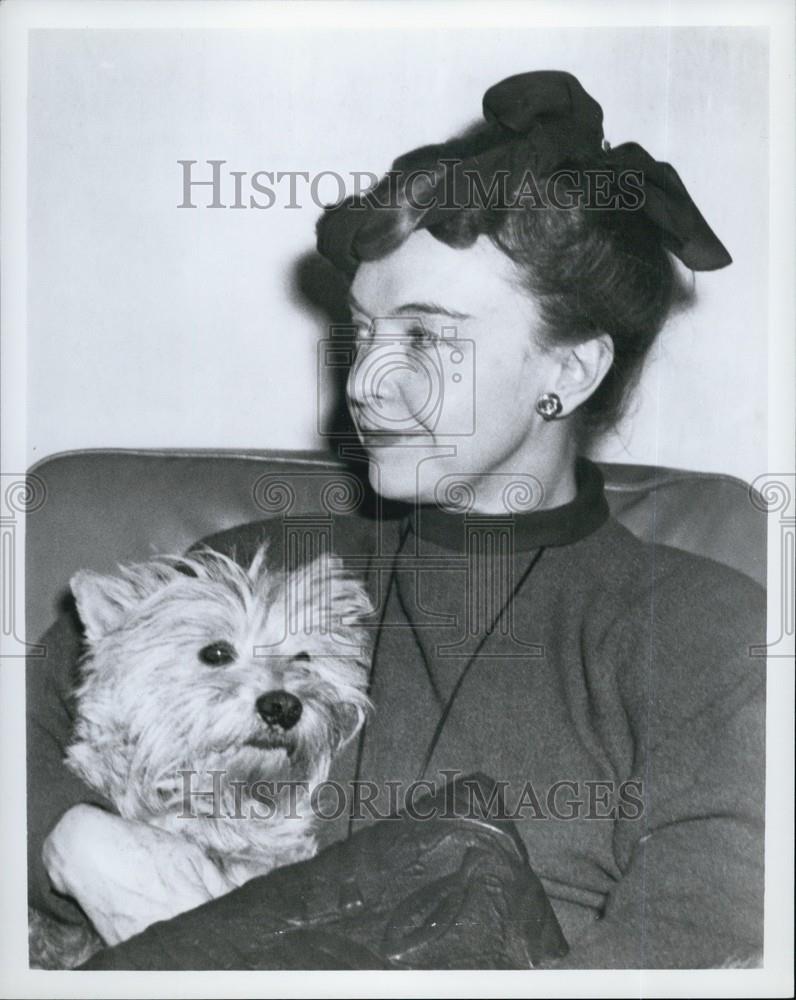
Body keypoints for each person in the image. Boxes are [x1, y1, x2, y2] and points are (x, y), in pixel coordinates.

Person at [27, 71, 765, 969]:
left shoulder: (702, 630)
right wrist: (75, 845)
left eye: (424, 338)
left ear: (567, 372)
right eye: (363, 332)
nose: (366, 384)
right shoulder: (262, 571)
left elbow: (705, 936)